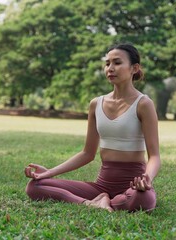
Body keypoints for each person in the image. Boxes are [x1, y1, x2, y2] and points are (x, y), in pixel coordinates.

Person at [24, 43, 161, 212]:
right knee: (35, 186)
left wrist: (147, 178)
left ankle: (107, 202)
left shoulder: (143, 104)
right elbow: (87, 154)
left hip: (133, 186)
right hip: (101, 186)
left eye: (117, 63)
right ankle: (92, 202)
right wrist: (50, 172)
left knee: (143, 200)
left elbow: (154, 156)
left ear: (134, 68)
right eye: (107, 63)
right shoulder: (96, 104)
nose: (110, 68)